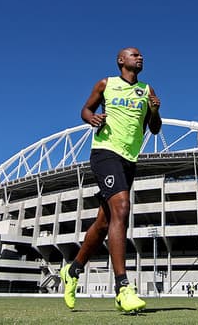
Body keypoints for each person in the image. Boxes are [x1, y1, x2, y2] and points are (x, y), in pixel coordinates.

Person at [59, 47, 162, 313]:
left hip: (130, 159)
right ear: (121, 60)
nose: (140, 57)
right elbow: (85, 108)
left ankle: (73, 270)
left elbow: (154, 128)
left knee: (105, 221)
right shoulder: (106, 84)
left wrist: (155, 111)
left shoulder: (147, 90)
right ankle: (123, 288)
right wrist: (91, 118)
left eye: (141, 55)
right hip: (105, 152)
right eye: (134, 54)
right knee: (122, 207)